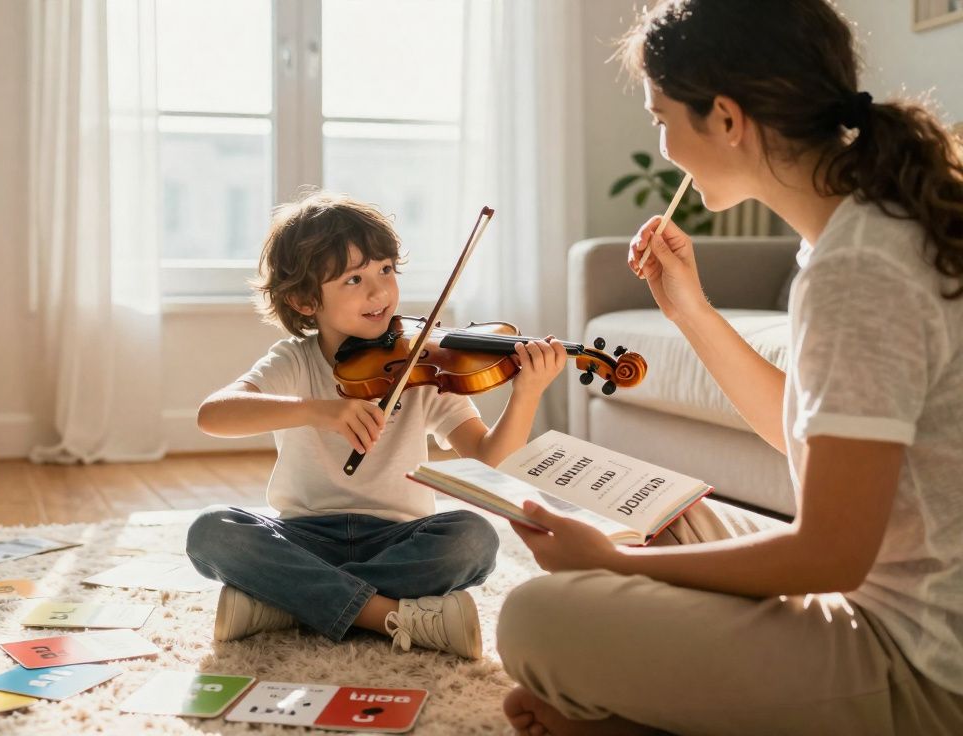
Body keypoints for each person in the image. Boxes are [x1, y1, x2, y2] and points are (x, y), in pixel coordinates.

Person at [496, 1, 963, 734]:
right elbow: (801, 432)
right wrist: (691, 310)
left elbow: (831, 556)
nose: (662, 147)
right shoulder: (857, 233)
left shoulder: (861, 268)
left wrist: (616, 568)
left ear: (725, 118)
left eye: (661, 118)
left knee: (534, 617)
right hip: (870, 601)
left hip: (917, 662)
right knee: (666, 515)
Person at [186, 191, 568, 659]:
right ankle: (384, 613)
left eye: (386, 270)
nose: (379, 292)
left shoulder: (423, 362)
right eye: (354, 279)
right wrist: (319, 411)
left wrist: (527, 393)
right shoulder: (294, 361)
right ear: (304, 300)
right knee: (212, 530)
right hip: (304, 536)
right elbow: (214, 414)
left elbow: (491, 457)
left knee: (474, 538)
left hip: (399, 538)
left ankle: (286, 602)